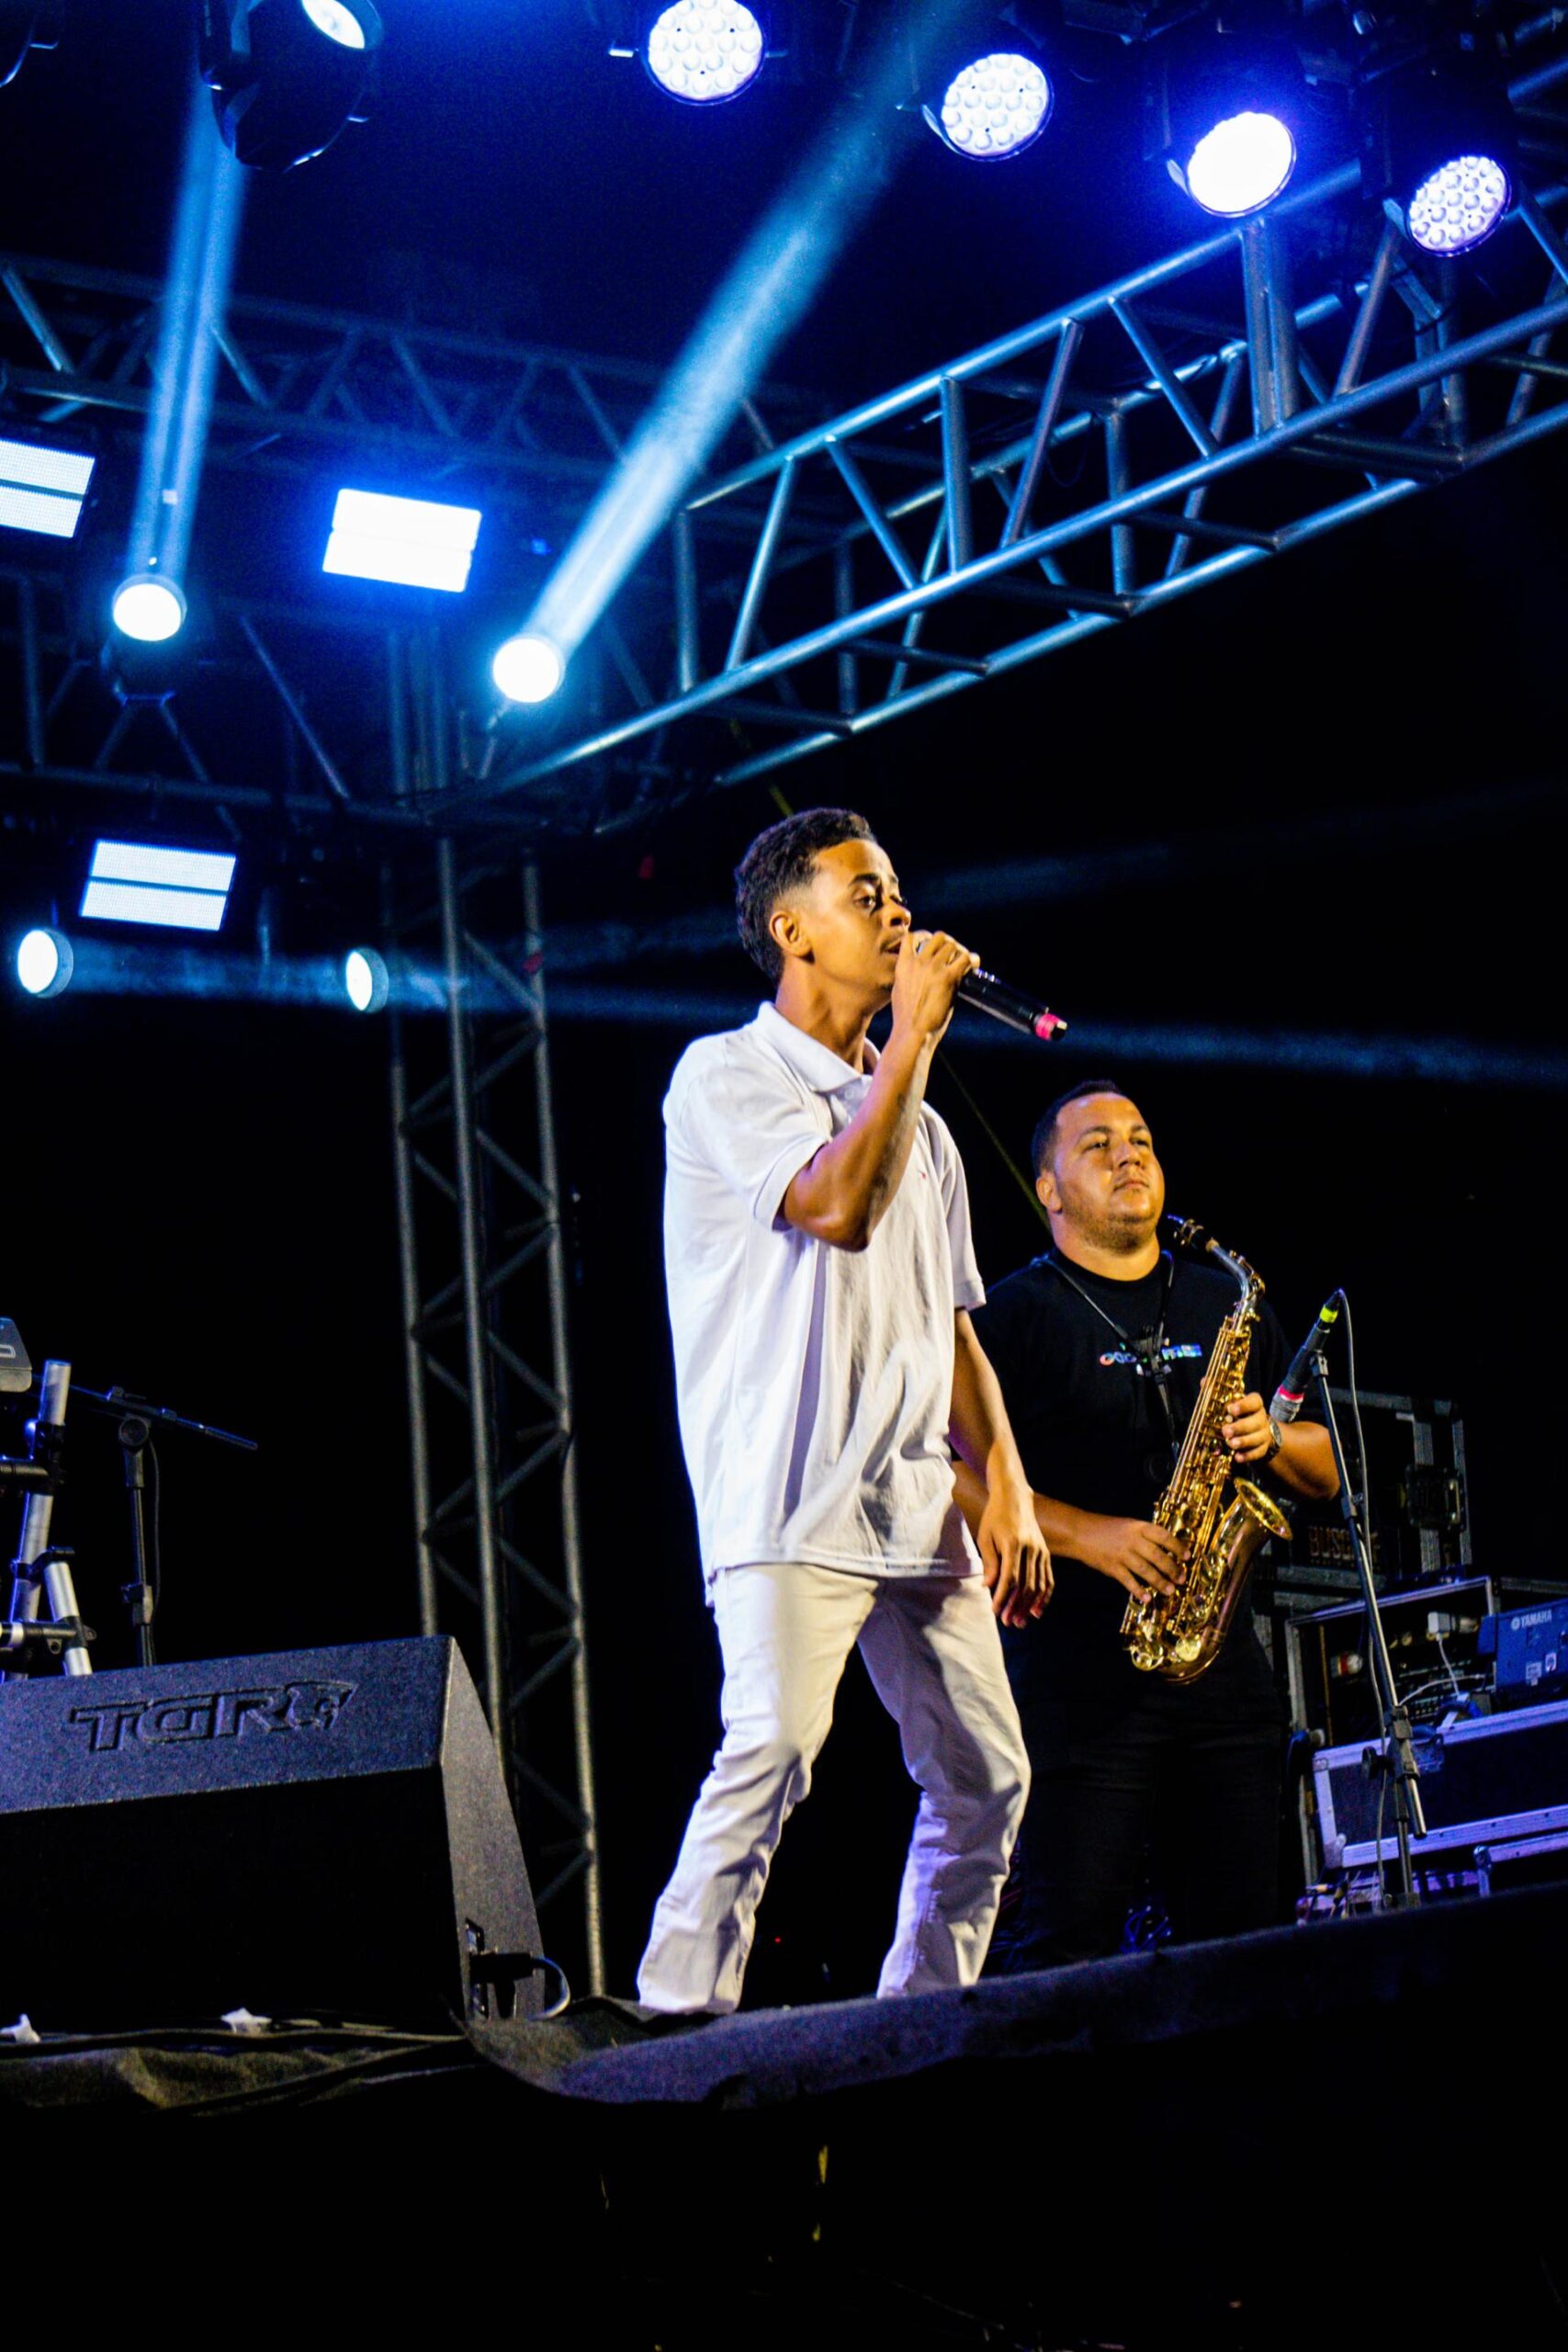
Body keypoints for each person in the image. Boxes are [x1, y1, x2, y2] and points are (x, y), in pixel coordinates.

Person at [637, 808, 1049, 2016]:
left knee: (988, 1780)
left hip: (915, 1505)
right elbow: (834, 1208)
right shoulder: (725, 1075)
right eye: (866, 895)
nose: (898, 914)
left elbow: (953, 1330)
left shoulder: (924, 1129)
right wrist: (913, 1039)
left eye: (896, 892)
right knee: (770, 1749)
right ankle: (674, 2024)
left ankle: (918, 2021)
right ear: (791, 930)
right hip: (786, 1493)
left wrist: (1009, 1486)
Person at [956, 1078, 1338, 1969]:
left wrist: (1272, 1437)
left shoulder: (1224, 1299)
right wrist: (1089, 1534)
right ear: (1047, 1189)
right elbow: (941, 1479)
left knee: (1243, 1948)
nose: (1127, 1156)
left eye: (1140, 1140)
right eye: (1096, 1145)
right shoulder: (1008, 1317)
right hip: (1075, 1683)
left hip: (1221, 1675)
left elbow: (1325, 1466)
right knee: (1068, 1947)